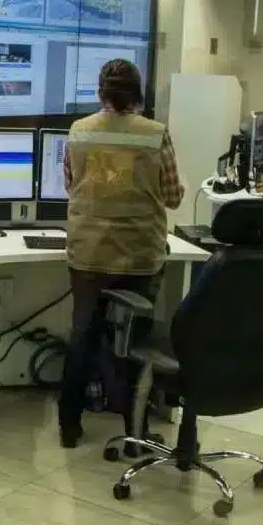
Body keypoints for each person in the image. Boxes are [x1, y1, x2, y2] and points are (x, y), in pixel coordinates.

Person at [59, 58, 184, 448]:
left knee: (82, 336)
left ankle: (69, 426)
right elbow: (173, 196)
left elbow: (70, 184)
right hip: (139, 256)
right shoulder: (155, 134)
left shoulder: (79, 131)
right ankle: (136, 428)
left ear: (101, 92)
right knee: (136, 343)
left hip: (89, 254)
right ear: (137, 93)